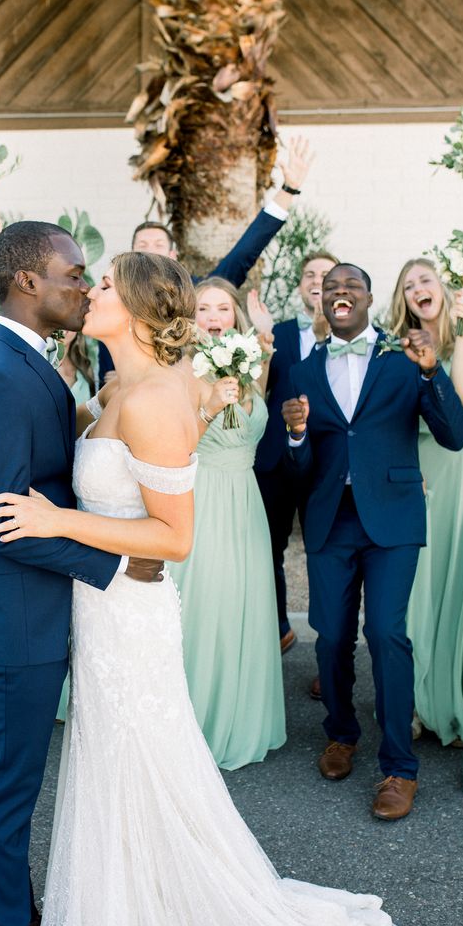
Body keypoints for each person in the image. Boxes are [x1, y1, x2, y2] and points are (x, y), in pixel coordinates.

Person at [0, 251, 429, 926]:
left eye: (105, 286)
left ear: (139, 308)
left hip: (130, 610)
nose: (89, 292)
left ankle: (168, 912)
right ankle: (129, 902)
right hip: (101, 606)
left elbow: (174, 535)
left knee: (143, 754)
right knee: (109, 754)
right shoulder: (115, 384)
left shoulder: (155, 397)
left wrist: (56, 521)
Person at [0, 221, 166, 926]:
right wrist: (114, 563)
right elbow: (7, 519)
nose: (85, 285)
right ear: (27, 282)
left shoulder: (29, 363)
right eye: (75, 274)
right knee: (7, 788)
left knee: (18, 782)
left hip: (35, 611)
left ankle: (16, 917)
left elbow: (48, 489)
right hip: (13, 622)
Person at [282, 263, 463, 820]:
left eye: (352, 287)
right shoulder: (304, 370)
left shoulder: (403, 359)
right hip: (329, 521)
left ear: (367, 298)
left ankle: (399, 767)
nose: (341, 293)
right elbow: (302, 468)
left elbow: (456, 436)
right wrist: (295, 435)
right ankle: (341, 734)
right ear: (322, 302)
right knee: (332, 635)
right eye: (331, 288)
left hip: (392, 518)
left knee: (387, 632)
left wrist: (432, 372)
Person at [168, 277, 286, 769]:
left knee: (240, 604)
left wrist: (267, 346)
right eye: (203, 309)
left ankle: (237, 714)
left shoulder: (253, 366)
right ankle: (186, 726)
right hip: (200, 497)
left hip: (245, 504)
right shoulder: (176, 370)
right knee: (200, 607)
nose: (213, 316)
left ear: (236, 317)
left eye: (222, 308)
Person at [96, 137, 315, 379]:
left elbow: (246, 250)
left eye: (158, 245)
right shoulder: (112, 302)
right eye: (142, 246)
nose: (150, 251)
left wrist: (288, 190)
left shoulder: (197, 292)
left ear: (172, 256)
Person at [388, 263, 463, 787]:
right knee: (419, 590)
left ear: (442, 290)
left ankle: (454, 703)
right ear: (403, 299)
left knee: (456, 589)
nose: (420, 289)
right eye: (410, 284)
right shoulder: (394, 349)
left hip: (462, 476)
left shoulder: (462, 340)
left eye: (427, 281)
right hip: (419, 479)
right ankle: (413, 703)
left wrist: (461, 336)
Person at [254, 250, 339, 674]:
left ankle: (331, 658)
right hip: (274, 460)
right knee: (268, 549)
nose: (317, 279)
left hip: (326, 463)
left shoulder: (350, 336)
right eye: (310, 274)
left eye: (325, 274)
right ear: (301, 285)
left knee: (325, 553)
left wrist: (326, 338)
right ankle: (281, 628)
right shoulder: (280, 333)